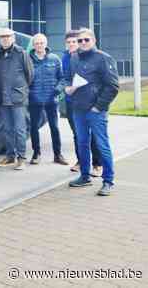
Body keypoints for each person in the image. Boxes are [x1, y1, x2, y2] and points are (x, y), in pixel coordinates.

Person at [65, 28, 119, 196]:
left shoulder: (103, 58)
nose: (82, 43)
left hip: (96, 111)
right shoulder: (74, 58)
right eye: (79, 40)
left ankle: (108, 181)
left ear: (93, 40)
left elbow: (113, 86)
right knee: (82, 144)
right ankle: (84, 176)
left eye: (86, 40)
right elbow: (67, 77)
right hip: (78, 109)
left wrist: (98, 107)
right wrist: (67, 88)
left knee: (102, 146)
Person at [62, 30, 103, 176]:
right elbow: (65, 77)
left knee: (92, 134)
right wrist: (66, 87)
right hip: (71, 102)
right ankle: (81, 161)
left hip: (88, 101)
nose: (72, 44)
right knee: (77, 134)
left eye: (75, 41)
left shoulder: (85, 57)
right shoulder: (66, 58)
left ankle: (97, 164)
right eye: (69, 42)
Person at [0, 28, 33, 171]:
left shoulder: (22, 53)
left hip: (18, 99)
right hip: (3, 99)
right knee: (8, 130)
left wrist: (20, 90)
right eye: (2, 37)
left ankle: (21, 158)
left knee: (20, 130)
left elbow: (30, 75)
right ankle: (10, 156)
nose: (4, 39)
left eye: (7, 36)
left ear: (13, 38)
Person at [28, 33, 68, 166]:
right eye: (37, 43)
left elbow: (62, 78)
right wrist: (29, 93)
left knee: (54, 127)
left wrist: (57, 89)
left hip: (51, 99)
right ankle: (36, 154)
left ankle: (58, 154)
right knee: (34, 127)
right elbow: (24, 79)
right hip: (35, 99)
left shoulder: (55, 59)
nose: (39, 45)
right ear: (33, 45)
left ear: (46, 44)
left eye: (41, 43)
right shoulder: (28, 59)